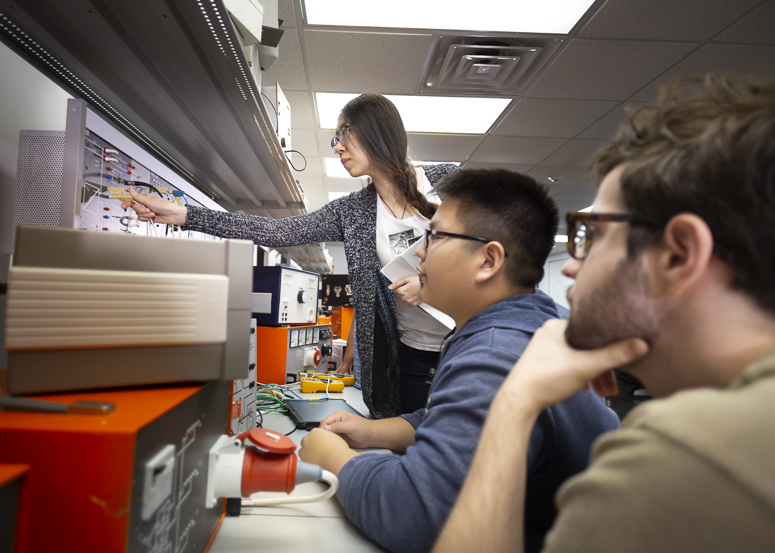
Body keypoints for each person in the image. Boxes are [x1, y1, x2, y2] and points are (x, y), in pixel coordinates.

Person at [433, 75, 775, 553]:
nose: (572, 264)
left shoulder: (686, 458)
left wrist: (514, 404)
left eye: (592, 236)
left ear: (678, 254)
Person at [298, 168, 621, 553]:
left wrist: (333, 457)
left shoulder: (495, 353)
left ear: (488, 261)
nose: (419, 250)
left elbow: (417, 515)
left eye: (433, 237)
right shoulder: (527, 322)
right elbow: (447, 416)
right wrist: (375, 432)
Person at [122, 93, 456, 418]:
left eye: (343, 134)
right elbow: (275, 232)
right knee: (421, 447)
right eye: (334, 139)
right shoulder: (354, 211)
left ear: (375, 130)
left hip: (467, 343)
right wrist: (183, 215)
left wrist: (431, 284)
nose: (338, 146)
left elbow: (500, 250)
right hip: (411, 358)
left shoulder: (447, 181)